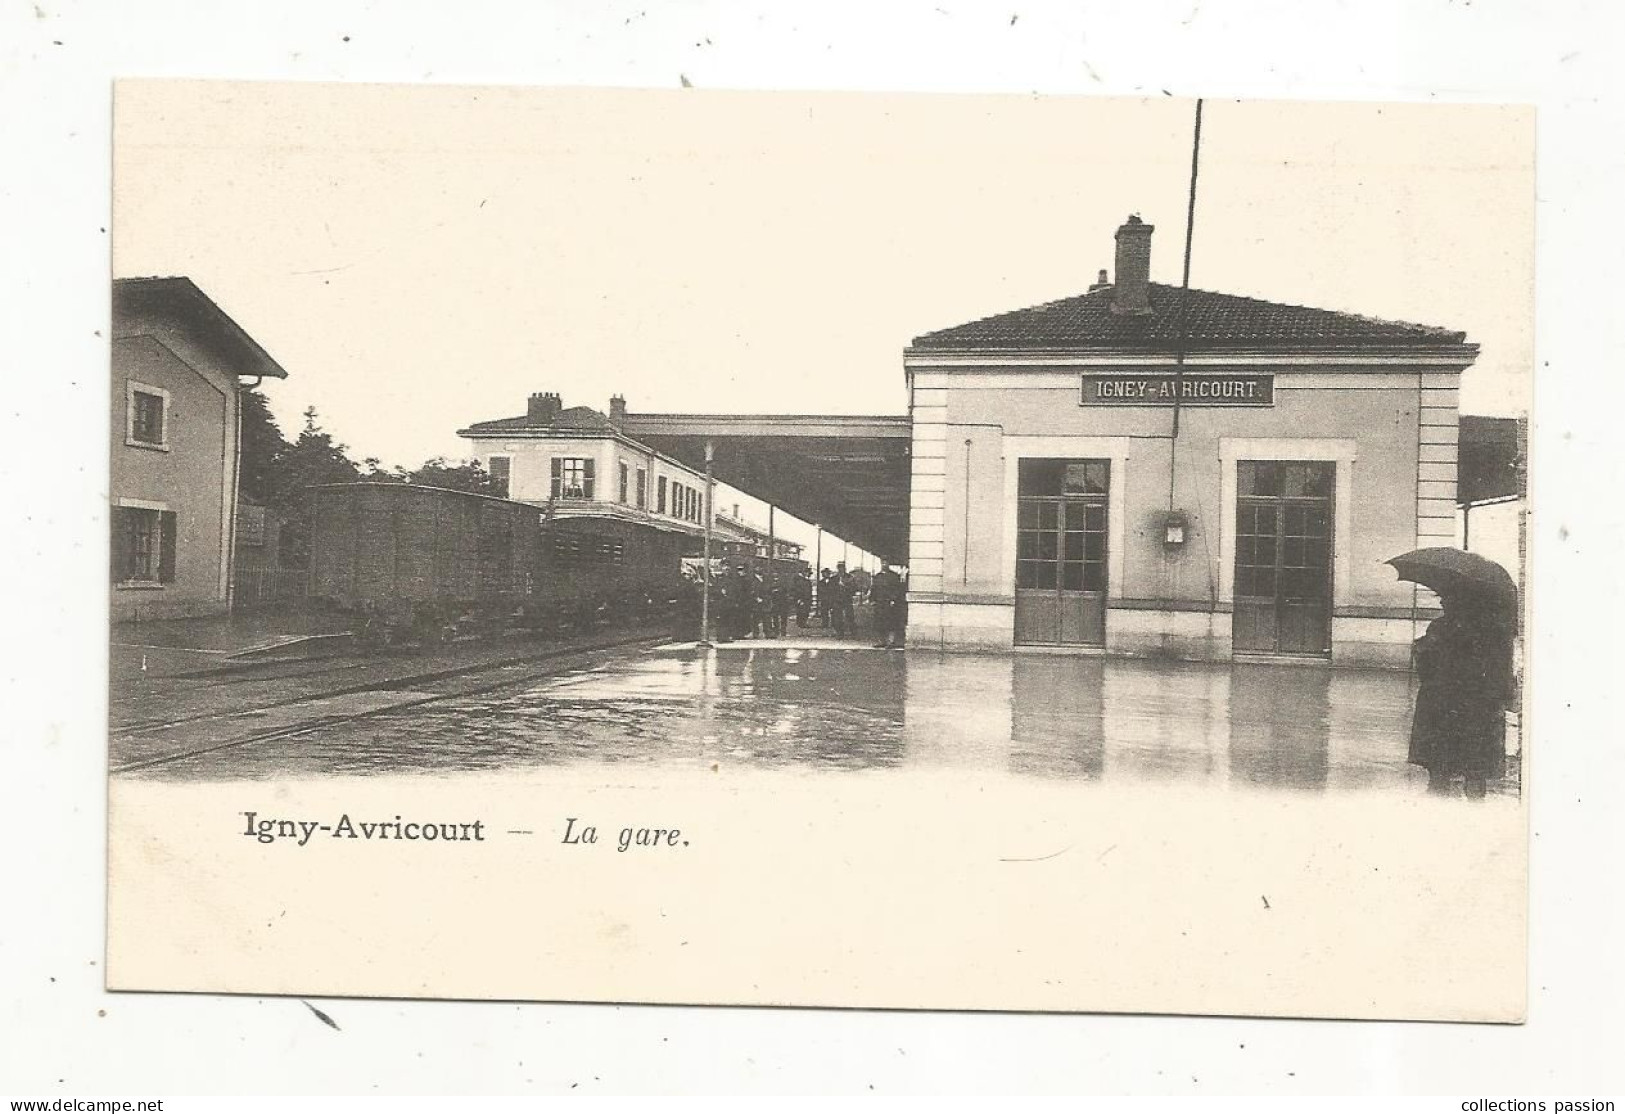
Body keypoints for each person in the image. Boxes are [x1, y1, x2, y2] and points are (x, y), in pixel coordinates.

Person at [1408, 588, 1517, 799]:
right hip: (1480, 709)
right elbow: (1502, 670)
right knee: (1476, 774)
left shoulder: (1441, 627)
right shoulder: (1495, 630)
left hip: (1444, 706)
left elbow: (1426, 669)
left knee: (1440, 772)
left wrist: (1420, 649)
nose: (1441, 602)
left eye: (1446, 598)